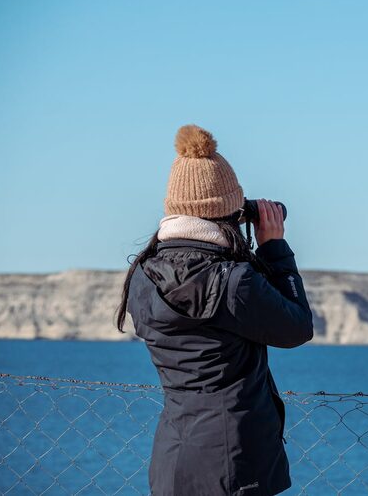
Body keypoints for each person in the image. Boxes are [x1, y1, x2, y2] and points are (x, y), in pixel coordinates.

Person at [115, 124, 314, 495]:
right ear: (229, 212)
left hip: (174, 460)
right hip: (233, 467)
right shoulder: (232, 282)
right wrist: (274, 250)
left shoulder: (143, 275)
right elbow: (297, 327)